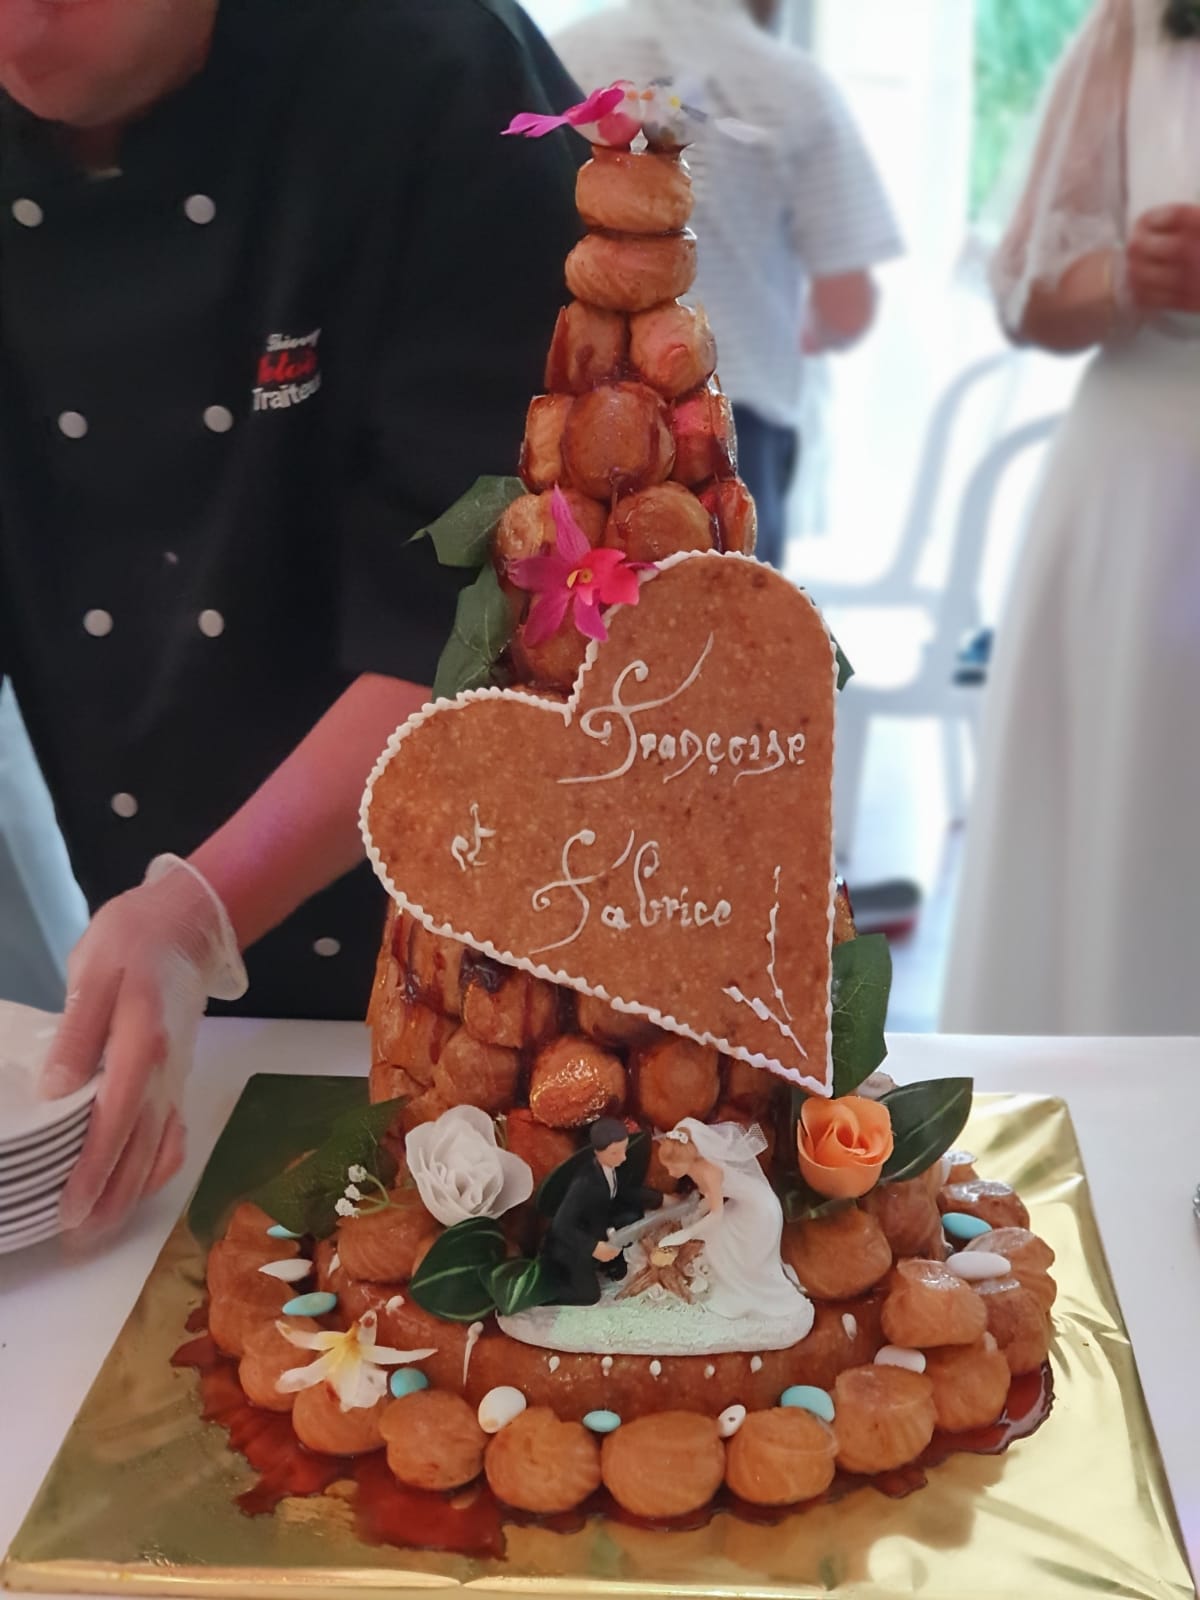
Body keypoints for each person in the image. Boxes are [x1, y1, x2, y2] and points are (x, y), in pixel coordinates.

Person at [0, 0, 582, 1236]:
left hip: (493, 972)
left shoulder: (432, 70)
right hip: (172, 996)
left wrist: (195, 914)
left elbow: (489, 596)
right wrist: (166, 936)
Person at [944, 0, 1200, 1033]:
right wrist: (1129, 277)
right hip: (1149, 496)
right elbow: (1027, 288)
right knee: (1132, 832)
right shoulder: (1138, 27)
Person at [553, 0, 902, 569]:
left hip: (577, 420)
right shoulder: (796, 87)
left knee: (577, 617)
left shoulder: (566, 52)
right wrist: (802, 333)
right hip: (729, 432)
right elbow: (848, 307)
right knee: (728, 616)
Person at [657, 1118, 810, 1324]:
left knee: (721, 1238)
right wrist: (694, 1216)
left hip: (760, 1211)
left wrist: (686, 1233)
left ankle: (741, 1293)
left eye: (673, 1167)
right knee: (712, 1235)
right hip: (743, 1205)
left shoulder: (709, 1171)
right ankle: (732, 1289)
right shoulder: (695, 1168)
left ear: (687, 1159)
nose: (670, 1173)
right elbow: (711, 1199)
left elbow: (717, 1214)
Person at [539, 1117, 662, 1305]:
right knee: (588, 1295)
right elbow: (561, 1225)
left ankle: (613, 1263)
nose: (623, 1157)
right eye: (615, 1153)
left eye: (623, 1150)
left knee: (632, 1216)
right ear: (597, 1152)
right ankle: (547, 1290)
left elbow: (624, 1191)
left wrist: (661, 1199)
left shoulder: (611, 1169)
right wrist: (594, 1247)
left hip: (598, 1224)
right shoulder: (584, 1182)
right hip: (571, 1245)